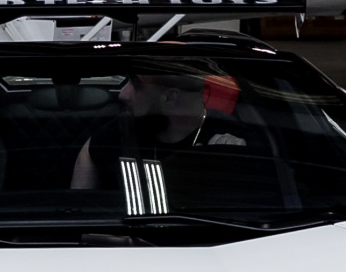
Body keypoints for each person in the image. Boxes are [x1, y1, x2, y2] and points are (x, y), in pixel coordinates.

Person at [70, 73, 249, 192]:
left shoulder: (230, 140)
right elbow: (78, 213)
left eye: (136, 84)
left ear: (170, 97)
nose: (123, 94)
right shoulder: (120, 131)